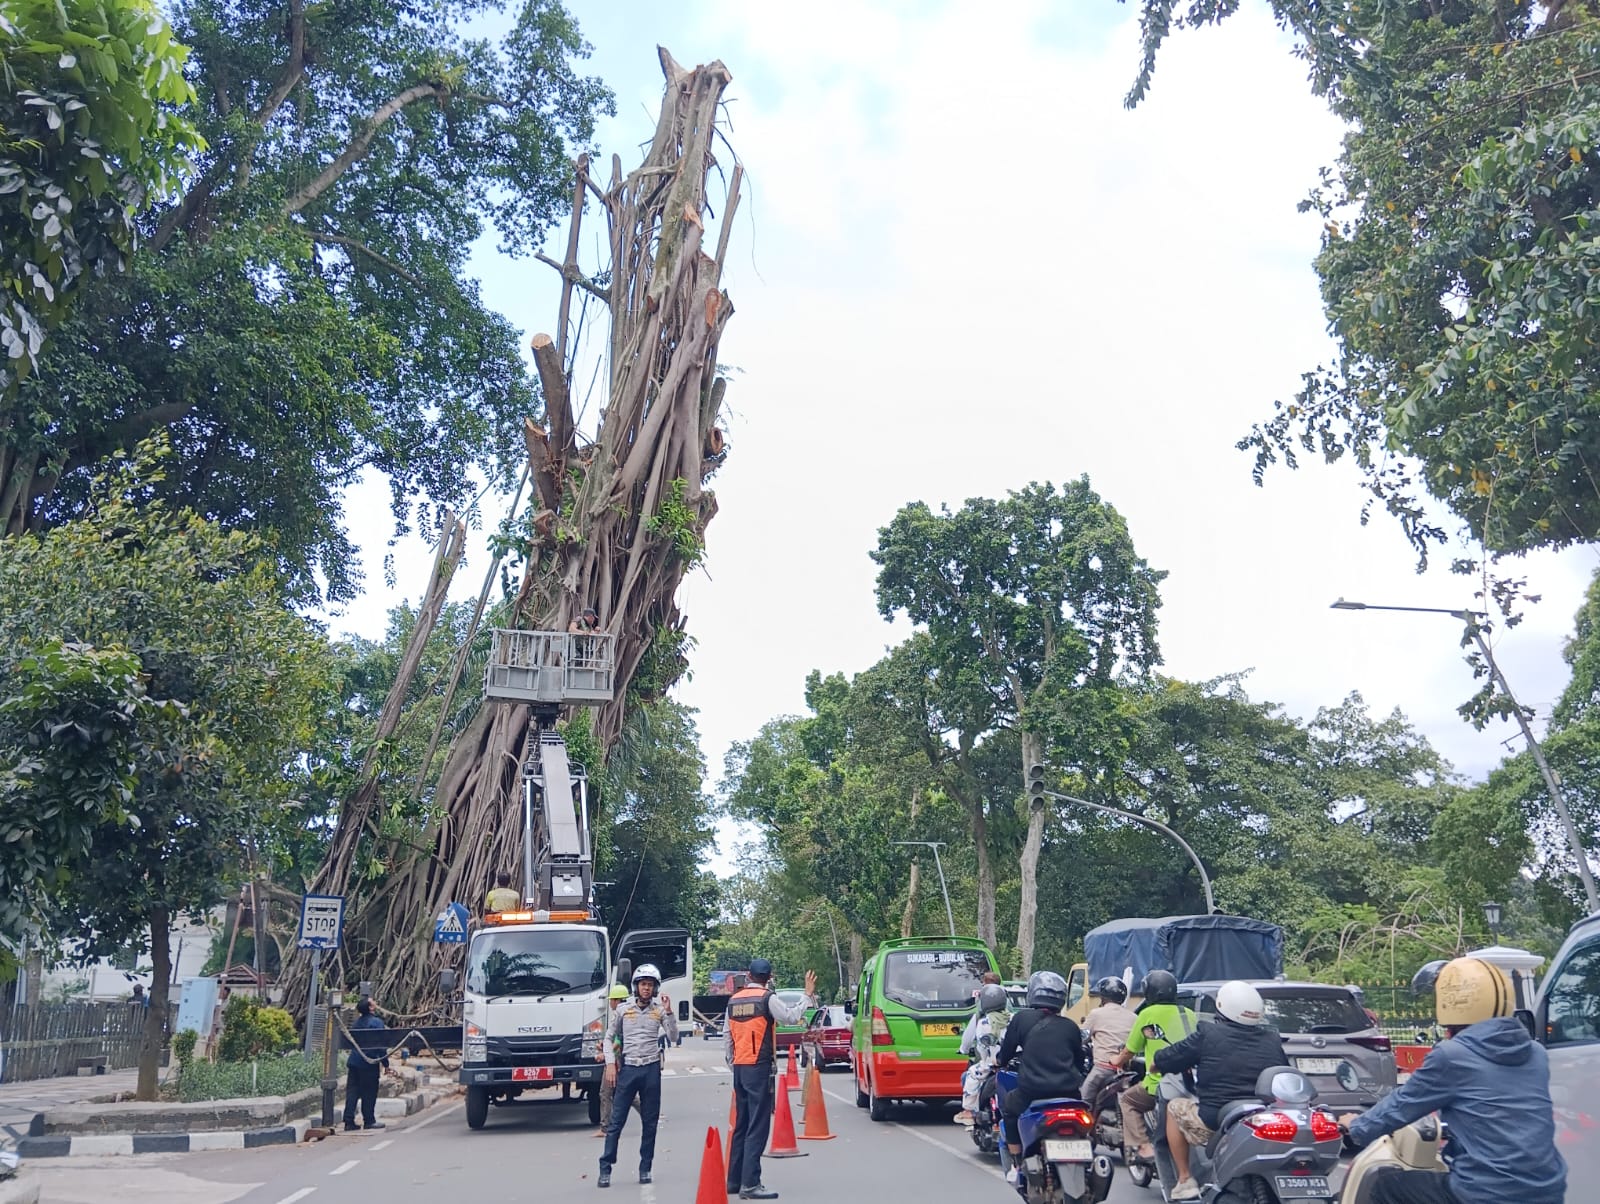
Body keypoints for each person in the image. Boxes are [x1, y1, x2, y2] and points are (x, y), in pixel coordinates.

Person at [1337, 957, 1567, 1204]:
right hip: (1548, 1190)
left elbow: (1402, 1105)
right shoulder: (1536, 1054)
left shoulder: (1452, 1056)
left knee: (1384, 1185)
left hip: (1485, 1193)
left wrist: (1357, 1125)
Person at [1152, 981, 1284, 1201]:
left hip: (1217, 1120)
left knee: (1175, 1107)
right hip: (1263, 1118)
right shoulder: (1271, 1039)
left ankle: (1185, 1180)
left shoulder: (1208, 1032)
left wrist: (1156, 1063)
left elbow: (1172, 1056)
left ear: (1222, 1006)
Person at [725, 960, 818, 1200]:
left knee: (741, 1125)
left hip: (740, 1067)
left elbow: (728, 1035)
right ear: (769, 977)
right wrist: (807, 996)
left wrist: (732, 1062)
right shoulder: (768, 998)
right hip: (759, 1067)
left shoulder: (734, 1000)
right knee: (758, 1125)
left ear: (748, 975)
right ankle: (751, 1184)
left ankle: (734, 1181)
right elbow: (790, 1017)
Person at [996, 970, 1086, 1183]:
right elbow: (1079, 1061)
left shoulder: (1021, 1019)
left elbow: (1006, 1053)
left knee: (1008, 1110)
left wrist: (999, 1061)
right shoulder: (1070, 1026)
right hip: (1069, 1092)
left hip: (1032, 1091)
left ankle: (1017, 1163)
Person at [598, 964, 677, 1188]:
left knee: (649, 1123)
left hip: (651, 1069)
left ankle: (645, 1168)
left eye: (650, 985)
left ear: (655, 988)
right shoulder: (623, 1010)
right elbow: (608, 1039)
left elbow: (673, 1036)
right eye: (643, 984)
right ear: (636, 986)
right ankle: (606, 1167)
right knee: (616, 1122)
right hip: (629, 1069)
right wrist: (611, 1064)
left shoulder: (659, 1011)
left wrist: (669, 1012)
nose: (646, 989)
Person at [1114, 970, 1196, 1165]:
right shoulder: (1189, 1014)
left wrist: (1116, 1060)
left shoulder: (1147, 1014)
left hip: (1160, 1084)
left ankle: (1143, 1146)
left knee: (1127, 1100)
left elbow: (1129, 1050)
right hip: (1191, 1084)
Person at [956, 979, 1010, 1125]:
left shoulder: (981, 1020)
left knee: (971, 1075)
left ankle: (968, 1111)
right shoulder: (1011, 1018)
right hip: (1011, 1064)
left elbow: (967, 1040)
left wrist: (963, 1050)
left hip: (989, 1064)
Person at [1079, 976, 1135, 1108]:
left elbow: (1081, 1038)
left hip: (1102, 1069)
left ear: (1103, 997)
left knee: (1083, 1102)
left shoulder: (1096, 1014)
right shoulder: (1133, 1017)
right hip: (1125, 1071)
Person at [343, 997, 391, 1132]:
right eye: (373, 1001)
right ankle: (369, 1120)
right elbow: (380, 1045)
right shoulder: (376, 1023)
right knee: (369, 1093)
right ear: (371, 1008)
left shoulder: (357, 1023)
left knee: (352, 1092)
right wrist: (386, 1063)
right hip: (368, 1063)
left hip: (354, 1062)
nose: (375, 1001)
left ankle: (348, 1121)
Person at [594, 984, 629, 1137]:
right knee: (624, 1092)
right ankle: (651, 1113)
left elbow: (619, 1041)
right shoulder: (623, 1015)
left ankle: (605, 1127)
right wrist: (604, 1046)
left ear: (617, 1001)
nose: (610, 1003)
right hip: (615, 1060)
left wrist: (606, 1055)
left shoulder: (622, 1016)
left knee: (605, 1092)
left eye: (612, 1000)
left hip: (615, 1062)